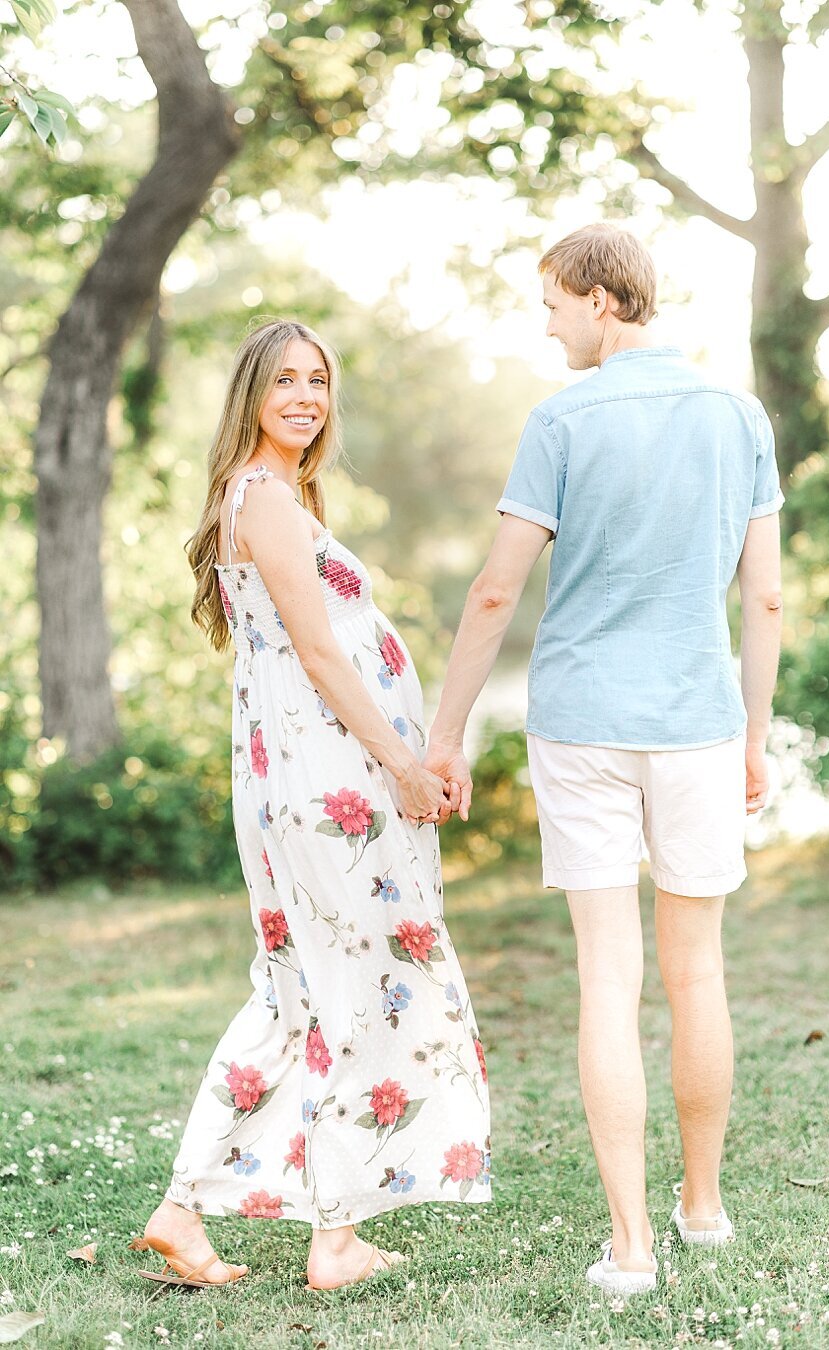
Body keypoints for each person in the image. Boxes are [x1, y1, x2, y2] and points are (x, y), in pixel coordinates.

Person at [424, 224, 783, 1297]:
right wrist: (755, 735)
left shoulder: (562, 419)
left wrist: (445, 736)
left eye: (552, 304)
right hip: (700, 722)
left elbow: (495, 591)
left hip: (582, 723)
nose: (547, 325)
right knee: (700, 971)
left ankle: (630, 1248)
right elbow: (762, 595)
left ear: (602, 302)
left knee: (607, 980)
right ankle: (702, 1210)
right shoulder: (739, 416)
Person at [130, 320, 490, 1293]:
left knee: (302, 992)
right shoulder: (268, 503)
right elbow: (324, 657)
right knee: (351, 987)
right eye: (284, 379)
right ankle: (333, 1236)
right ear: (249, 391)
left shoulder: (264, 497)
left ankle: (185, 1209)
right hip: (331, 791)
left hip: (308, 785)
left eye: (319, 381)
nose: (304, 396)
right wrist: (404, 768)